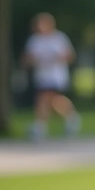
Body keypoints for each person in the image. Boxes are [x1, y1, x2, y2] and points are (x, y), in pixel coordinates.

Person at [21, 13, 82, 141]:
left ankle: (40, 127)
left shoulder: (59, 38)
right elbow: (27, 59)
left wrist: (57, 58)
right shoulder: (35, 40)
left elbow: (70, 56)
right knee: (53, 102)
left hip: (56, 76)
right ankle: (71, 117)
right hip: (41, 76)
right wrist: (33, 60)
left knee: (43, 98)